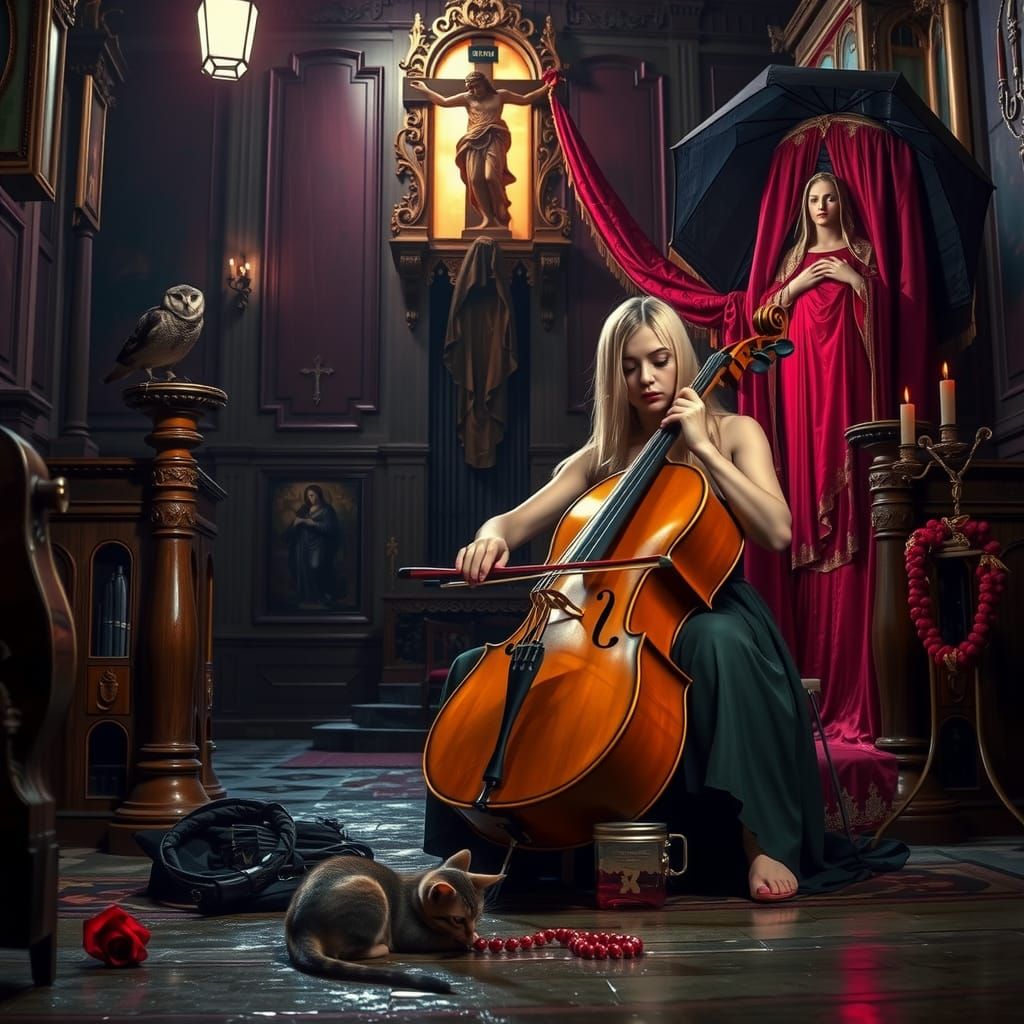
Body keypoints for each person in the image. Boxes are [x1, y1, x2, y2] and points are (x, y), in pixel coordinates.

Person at [423, 295, 908, 902]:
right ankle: (467, 848)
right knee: (479, 669)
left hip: (707, 606)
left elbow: (778, 530)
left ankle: (763, 842)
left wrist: (704, 449)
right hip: (609, 620)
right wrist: (488, 538)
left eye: (659, 360)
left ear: (681, 358)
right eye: (629, 367)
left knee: (715, 642)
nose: (646, 378)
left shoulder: (734, 432)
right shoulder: (602, 456)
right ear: (613, 376)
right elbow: (513, 521)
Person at [409, 72, 550, 229]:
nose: (475, 91)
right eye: (471, 88)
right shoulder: (468, 98)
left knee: (490, 176)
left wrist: (547, 86)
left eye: (477, 86)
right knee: (475, 180)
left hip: (494, 137)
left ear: (485, 83)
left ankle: (501, 205)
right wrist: (425, 89)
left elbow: (526, 99)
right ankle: (488, 218)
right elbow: (443, 102)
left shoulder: (500, 96)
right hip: (472, 141)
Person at [286, 485, 340, 607]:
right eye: (309, 496)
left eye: (313, 495)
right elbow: (294, 524)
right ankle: (307, 597)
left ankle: (321, 595)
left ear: (319, 495)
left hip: (319, 544)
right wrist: (295, 524)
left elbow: (330, 528)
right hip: (303, 544)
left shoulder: (327, 510)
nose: (311, 498)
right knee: (302, 568)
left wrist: (311, 523)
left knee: (316, 566)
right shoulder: (305, 509)